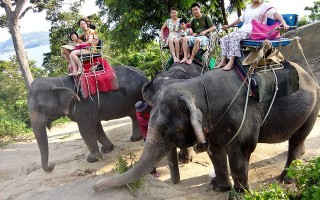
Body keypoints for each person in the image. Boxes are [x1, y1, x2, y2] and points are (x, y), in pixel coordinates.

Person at [215, 0, 289, 71]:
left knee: (234, 37)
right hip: (244, 29)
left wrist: (283, 22)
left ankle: (231, 62)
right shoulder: (248, 7)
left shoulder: (265, 6)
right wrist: (229, 26)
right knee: (224, 38)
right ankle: (223, 61)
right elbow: (240, 19)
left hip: (255, 30)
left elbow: (275, 14)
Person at [135, 101, 161, 177]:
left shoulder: (144, 112)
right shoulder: (140, 117)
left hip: (152, 134)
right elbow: (151, 125)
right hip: (148, 137)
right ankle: (153, 172)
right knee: (152, 155)